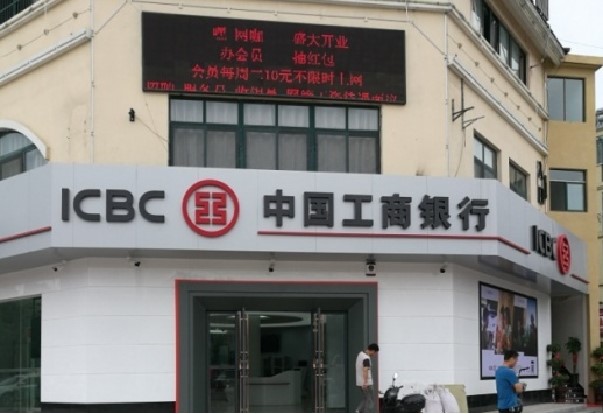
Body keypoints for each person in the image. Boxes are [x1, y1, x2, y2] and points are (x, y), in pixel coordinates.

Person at [355, 343, 379, 413]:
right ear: (373, 350)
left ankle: (359, 410)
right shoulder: (366, 358)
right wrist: (365, 383)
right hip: (366, 383)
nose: (374, 355)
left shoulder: (360, 355)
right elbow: (365, 370)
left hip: (360, 382)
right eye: (375, 353)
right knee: (370, 401)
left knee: (366, 398)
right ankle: (361, 411)